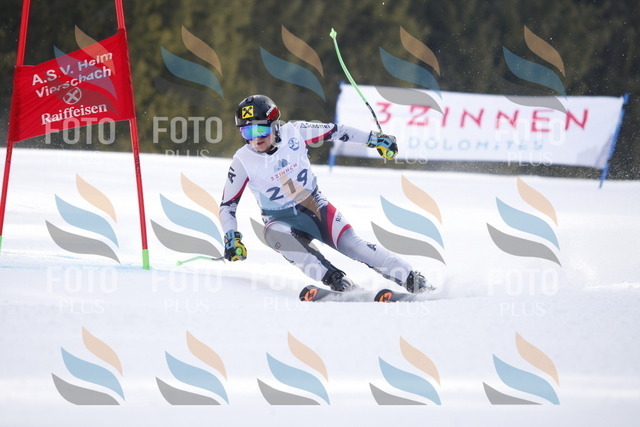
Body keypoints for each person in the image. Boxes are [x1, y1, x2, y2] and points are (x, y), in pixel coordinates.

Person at [219, 94, 433, 294]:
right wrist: (231, 237)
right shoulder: (242, 161)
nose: (255, 139)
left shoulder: (296, 132)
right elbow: (227, 206)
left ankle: (413, 280)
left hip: (315, 206)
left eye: (260, 130)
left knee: (353, 245)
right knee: (274, 235)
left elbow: (337, 131)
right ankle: (338, 282)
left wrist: (374, 139)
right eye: (247, 133)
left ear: (274, 124)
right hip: (279, 219)